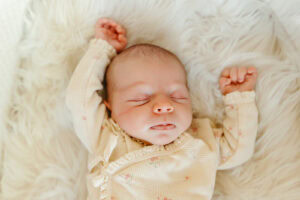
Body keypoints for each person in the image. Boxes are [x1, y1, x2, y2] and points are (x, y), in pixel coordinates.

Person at [65, 17, 258, 200]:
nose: (165, 106)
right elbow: (79, 96)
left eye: (177, 97)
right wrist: (102, 49)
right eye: (141, 99)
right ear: (111, 107)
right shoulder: (105, 134)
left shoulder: (201, 139)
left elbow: (237, 149)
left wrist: (238, 99)